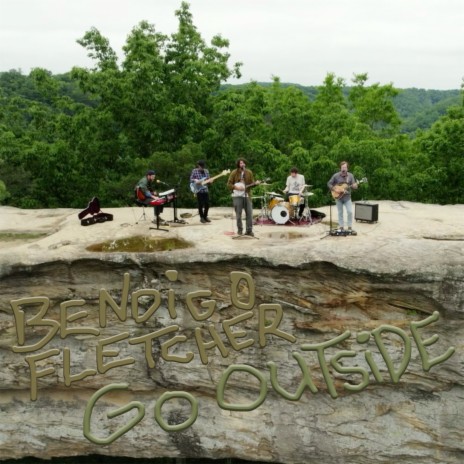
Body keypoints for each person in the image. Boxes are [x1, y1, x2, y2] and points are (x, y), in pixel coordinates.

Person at [227, 158, 260, 236]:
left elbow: (252, 184)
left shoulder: (249, 172)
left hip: (247, 194)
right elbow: (229, 184)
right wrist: (237, 187)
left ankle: (249, 230)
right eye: (240, 163)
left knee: (249, 213)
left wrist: (256, 183)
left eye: (243, 163)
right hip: (237, 195)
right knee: (238, 214)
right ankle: (240, 230)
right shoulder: (234, 172)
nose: (242, 164)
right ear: (238, 164)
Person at [327, 161, 358, 234]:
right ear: (340, 168)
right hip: (338, 197)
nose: (343, 169)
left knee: (350, 211)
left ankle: (349, 227)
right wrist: (335, 189)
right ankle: (341, 227)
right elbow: (329, 183)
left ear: (347, 168)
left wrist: (355, 186)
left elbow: (354, 186)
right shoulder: (336, 176)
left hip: (347, 197)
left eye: (345, 167)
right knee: (340, 212)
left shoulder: (350, 176)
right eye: (342, 167)